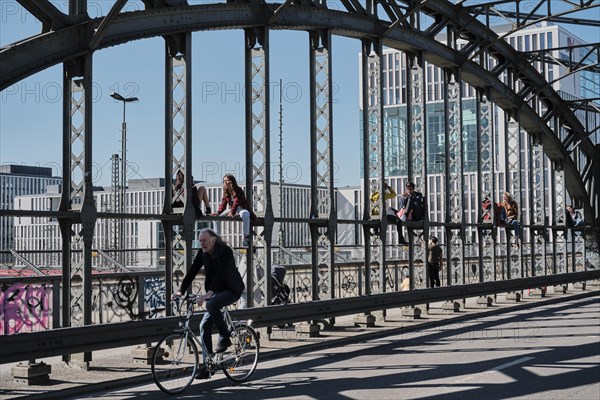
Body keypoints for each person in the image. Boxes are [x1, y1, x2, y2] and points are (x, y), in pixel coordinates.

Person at [173, 228, 245, 379]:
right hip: (216, 291)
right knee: (203, 326)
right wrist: (181, 290)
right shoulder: (203, 253)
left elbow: (222, 274)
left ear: (213, 240)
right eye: (200, 241)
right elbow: (192, 271)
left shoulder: (225, 251)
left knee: (211, 305)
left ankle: (225, 337)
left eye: (204, 240)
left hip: (231, 289)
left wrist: (209, 293)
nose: (202, 244)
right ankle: (208, 365)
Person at [212, 174, 255, 247]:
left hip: (240, 208)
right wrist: (218, 212)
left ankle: (246, 238)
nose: (225, 182)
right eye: (224, 180)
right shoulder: (226, 191)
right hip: (232, 209)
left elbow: (237, 201)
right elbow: (223, 203)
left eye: (227, 180)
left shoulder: (238, 190)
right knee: (216, 218)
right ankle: (217, 240)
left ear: (232, 181)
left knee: (246, 214)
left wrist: (232, 212)